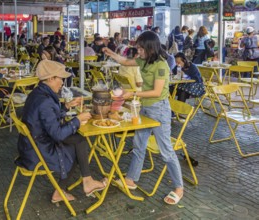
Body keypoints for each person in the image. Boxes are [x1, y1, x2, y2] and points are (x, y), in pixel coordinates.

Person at [102, 31, 184, 205]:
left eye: (140, 48)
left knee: (166, 151)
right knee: (139, 145)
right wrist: (112, 54)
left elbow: (156, 91)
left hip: (159, 109)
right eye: (137, 47)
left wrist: (133, 93)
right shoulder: (143, 60)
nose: (137, 51)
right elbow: (125, 61)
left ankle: (179, 188)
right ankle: (131, 179)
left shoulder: (161, 65)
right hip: (145, 108)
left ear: (149, 48)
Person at [16, 60, 107, 203]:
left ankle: (80, 184)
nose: (63, 82)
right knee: (78, 146)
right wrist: (77, 120)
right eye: (61, 78)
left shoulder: (38, 93)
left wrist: (66, 106)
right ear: (51, 78)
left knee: (79, 142)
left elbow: (47, 118)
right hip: (37, 151)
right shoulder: (45, 101)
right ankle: (80, 184)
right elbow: (57, 134)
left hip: (32, 144)